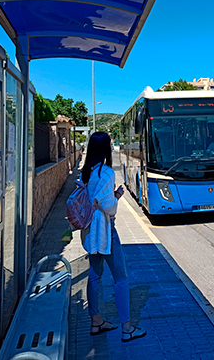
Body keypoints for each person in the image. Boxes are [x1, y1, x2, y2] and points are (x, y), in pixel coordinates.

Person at [79, 132, 146, 342]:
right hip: (105, 232)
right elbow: (107, 206)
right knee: (121, 278)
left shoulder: (86, 173)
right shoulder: (106, 173)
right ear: (105, 148)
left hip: (90, 232)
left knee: (94, 276)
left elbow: (93, 200)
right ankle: (127, 328)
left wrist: (105, 200)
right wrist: (116, 197)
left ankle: (96, 321)